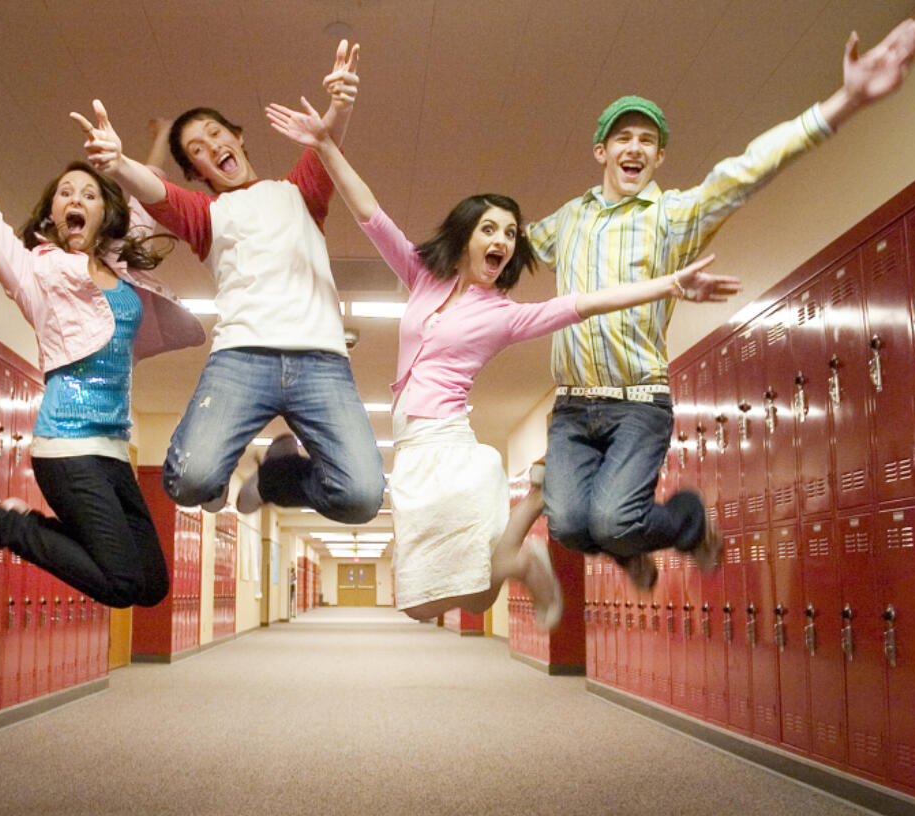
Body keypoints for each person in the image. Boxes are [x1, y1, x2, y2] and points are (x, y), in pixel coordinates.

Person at [264, 97, 740, 627]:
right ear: (466, 235)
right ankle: (528, 528)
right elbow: (369, 212)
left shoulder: (503, 315)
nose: (503, 241)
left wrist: (671, 283)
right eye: (490, 229)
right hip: (414, 452)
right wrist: (326, 144)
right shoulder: (424, 277)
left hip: (449, 450)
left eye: (511, 234)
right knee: (446, 604)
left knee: (444, 598)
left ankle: (527, 539)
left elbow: (587, 302)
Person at [527, 18, 915, 589]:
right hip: (572, 407)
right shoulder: (568, 220)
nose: (635, 147)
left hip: (638, 402)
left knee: (613, 518)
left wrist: (844, 102)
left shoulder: (673, 216)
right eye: (624, 137)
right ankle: (627, 547)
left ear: (659, 158)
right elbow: (503, 249)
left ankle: (687, 521)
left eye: (648, 140)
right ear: (601, 151)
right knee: (567, 524)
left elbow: (746, 171)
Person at [0, 101, 205, 607]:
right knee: (119, 585)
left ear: (103, 215)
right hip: (66, 447)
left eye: (89, 194)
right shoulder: (36, 274)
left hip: (112, 449)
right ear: (52, 212)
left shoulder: (119, 265)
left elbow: (141, 193)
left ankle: (1, 523)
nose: (77, 199)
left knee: (151, 586)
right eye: (66, 193)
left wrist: (156, 136)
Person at [71, 40, 385, 524]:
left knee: (362, 496)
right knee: (189, 481)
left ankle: (276, 479)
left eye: (216, 134)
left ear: (237, 137)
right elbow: (157, 194)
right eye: (197, 150)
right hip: (243, 357)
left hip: (321, 359)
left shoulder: (298, 192)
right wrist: (118, 164)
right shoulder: (207, 214)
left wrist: (340, 105)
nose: (212, 147)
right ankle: (225, 476)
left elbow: (325, 145)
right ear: (197, 172)